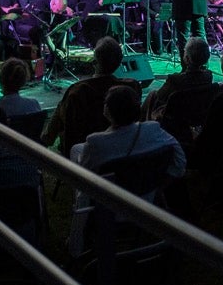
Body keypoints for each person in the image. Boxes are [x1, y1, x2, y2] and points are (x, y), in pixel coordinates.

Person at [68, 85, 185, 255]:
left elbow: (84, 182)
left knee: (79, 164)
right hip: (146, 200)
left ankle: (77, 241)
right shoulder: (153, 130)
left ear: (107, 110)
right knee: (78, 150)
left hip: (106, 208)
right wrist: (159, 185)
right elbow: (180, 162)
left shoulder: (96, 143)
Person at [42, 36, 125, 156]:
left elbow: (55, 131)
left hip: (82, 154)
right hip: (119, 149)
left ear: (94, 62)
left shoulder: (78, 91)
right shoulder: (129, 87)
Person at [146, 35, 215, 122]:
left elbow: (161, 96)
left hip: (175, 117)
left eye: (185, 51)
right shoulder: (209, 76)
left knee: (153, 94)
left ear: (187, 58)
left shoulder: (175, 79)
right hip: (196, 115)